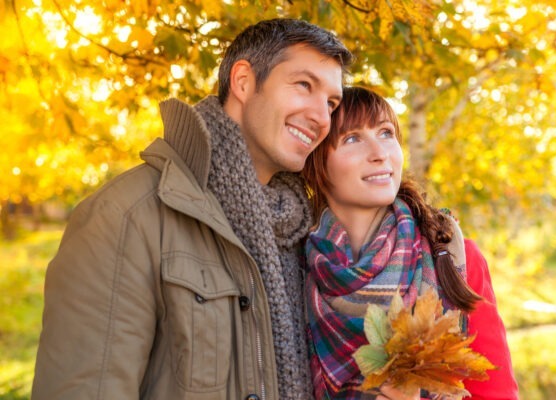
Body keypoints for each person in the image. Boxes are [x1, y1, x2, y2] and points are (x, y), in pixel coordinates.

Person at [32, 18, 353, 400]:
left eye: (332, 103)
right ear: (244, 82)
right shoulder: (126, 217)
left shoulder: (311, 232)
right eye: (304, 85)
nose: (322, 117)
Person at [302, 87, 519, 399]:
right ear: (315, 163)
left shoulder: (456, 258)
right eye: (352, 138)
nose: (380, 152)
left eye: (386, 133)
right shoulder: (295, 269)